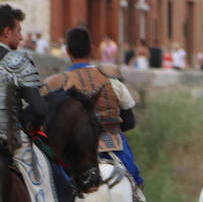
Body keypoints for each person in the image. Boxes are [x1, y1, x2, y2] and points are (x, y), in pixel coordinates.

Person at [0, 4, 75, 202]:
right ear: (7, 31)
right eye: (18, 30)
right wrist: (29, 126)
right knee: (62, 185)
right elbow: (40, 109)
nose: (20, 37)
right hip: (11, 140)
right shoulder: (19, 62)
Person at [44, 27, 144, 188]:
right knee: (134, 183)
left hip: (74, 152)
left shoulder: (56, 85)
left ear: (68, 51)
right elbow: (130, 121)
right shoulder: (110, 78)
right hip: (113, 144)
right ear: (92, 49)